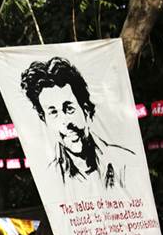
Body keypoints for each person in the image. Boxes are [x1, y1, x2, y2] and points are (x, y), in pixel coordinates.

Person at [20, 57, 136, 188]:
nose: (65, 122)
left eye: (69, 109)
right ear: (44, 120)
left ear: (86, 110)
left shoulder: (126, 162)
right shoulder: (50, 179)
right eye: (53, 113)